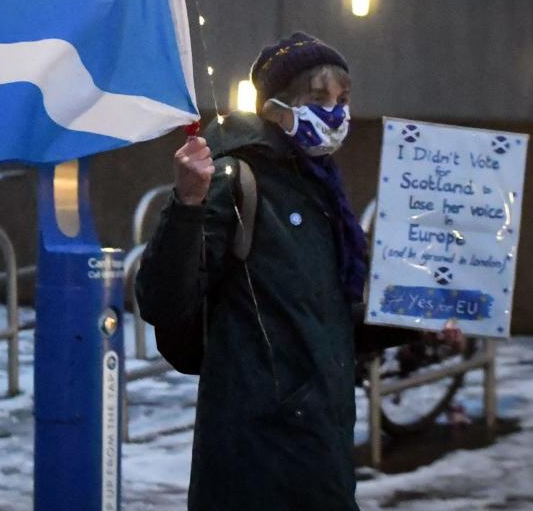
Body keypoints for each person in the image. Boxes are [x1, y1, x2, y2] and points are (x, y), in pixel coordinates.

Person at [136, 32, 408, 510]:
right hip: (257, 458)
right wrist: (188, 203)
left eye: (343, 99)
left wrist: (421, 320)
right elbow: (161, 298)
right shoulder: (238, 177)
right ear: (275, 107)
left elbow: (330, 321)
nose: (336, 112)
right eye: (318, 98)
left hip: (320, 449)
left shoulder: (322, 191)